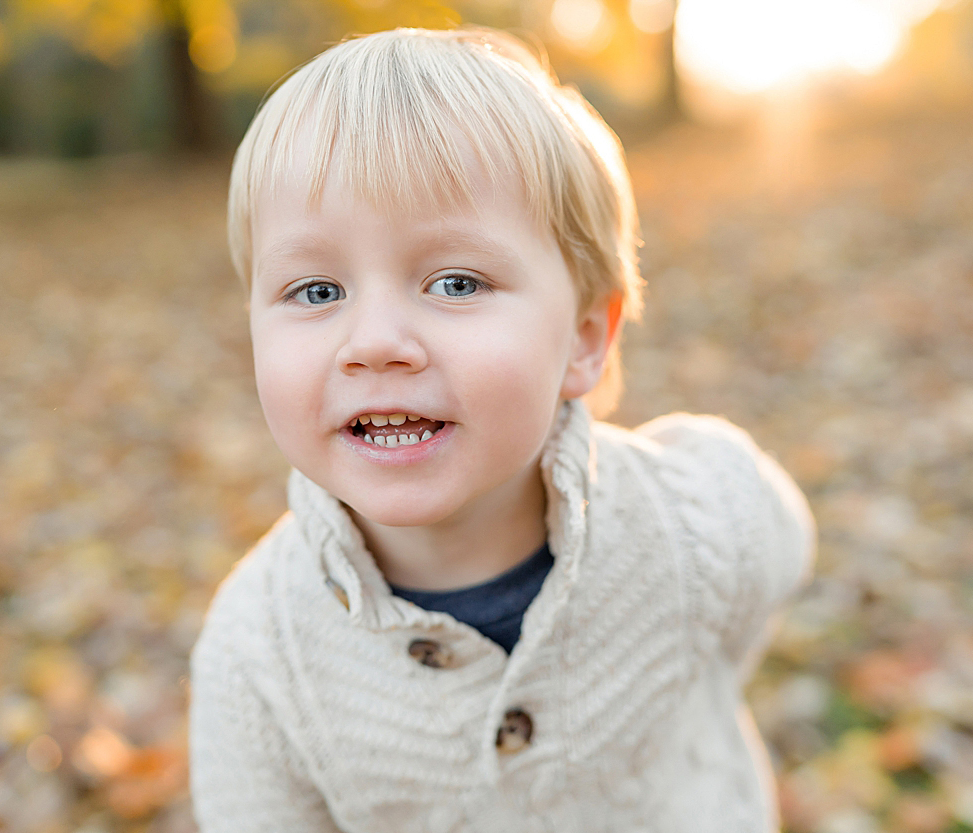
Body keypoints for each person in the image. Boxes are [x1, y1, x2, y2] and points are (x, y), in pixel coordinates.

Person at [187, 27, 813, 830]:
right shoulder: (256, 654)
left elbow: (776, 566)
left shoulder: (702, 517)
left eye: (455, 280)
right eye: (315, 291)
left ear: (586, 337)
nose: (374, 340)